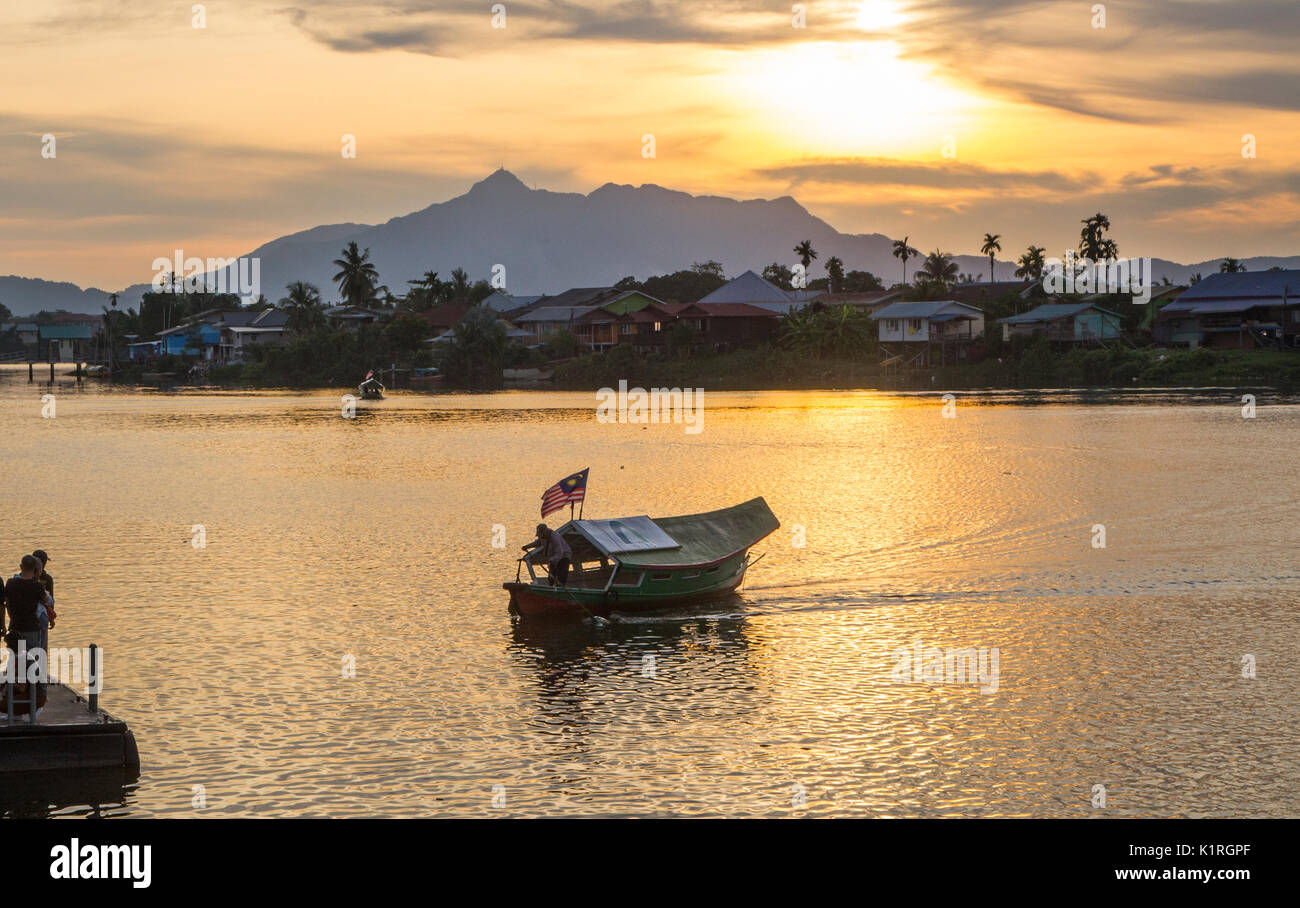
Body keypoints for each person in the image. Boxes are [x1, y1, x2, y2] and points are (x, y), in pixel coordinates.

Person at [4, 555, 53, 706]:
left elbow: (7, 603)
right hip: (32, 629)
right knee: (33, 665)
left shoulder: (11, 583)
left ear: (20, 566)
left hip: (15, 627)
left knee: (15, 665)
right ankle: (35, 702)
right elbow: (47, 600)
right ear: (36, 569)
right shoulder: (37, 586)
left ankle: (13, 703)